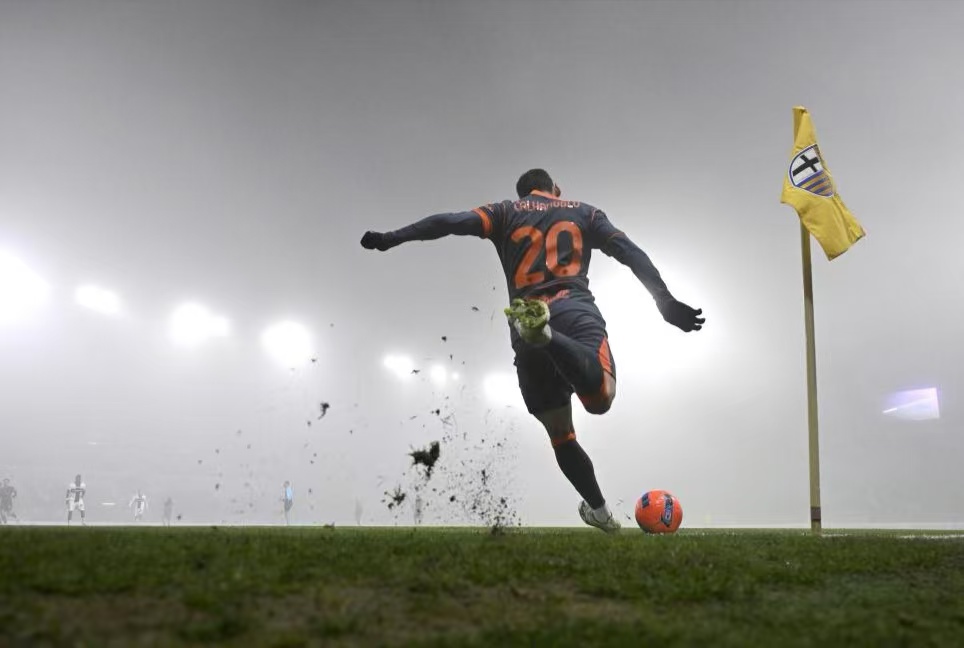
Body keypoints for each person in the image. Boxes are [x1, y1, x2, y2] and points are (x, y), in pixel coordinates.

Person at [361, 169, 704, 533]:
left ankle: (601, 514)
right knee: (600, 399)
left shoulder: (504, 212)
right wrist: (664, 301)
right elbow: (629, 252)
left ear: (523, 193)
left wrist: (391, 238)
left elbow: (448, 222)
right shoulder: (584, 212)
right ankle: (548, 336)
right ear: (556, 189)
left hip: (524, 322)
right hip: (575, 314)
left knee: (561, 435)